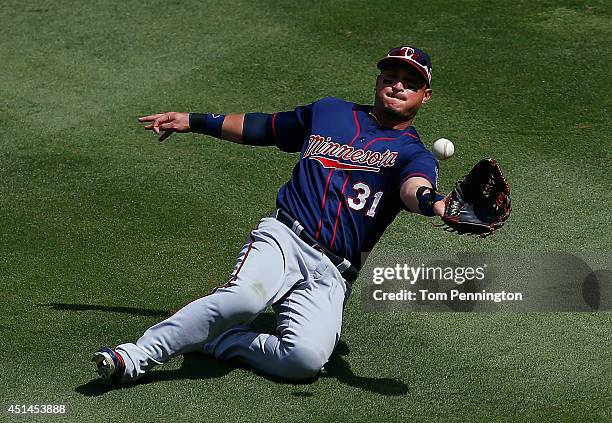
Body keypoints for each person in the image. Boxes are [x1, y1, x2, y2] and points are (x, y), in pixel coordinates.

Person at [93, 46, 447, 384]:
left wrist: (435, 203)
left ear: (425, 96)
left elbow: (413, 188)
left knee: (303, 361)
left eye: (411, 82)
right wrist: (195, 121)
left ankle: (216, 338)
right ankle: (136, 356)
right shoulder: (330, 113)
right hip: (286, 238)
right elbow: (265, 127)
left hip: (334, 273)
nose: (398, 85)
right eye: (390, 76)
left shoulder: (414, 154)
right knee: (243, 299)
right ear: (378, 81)